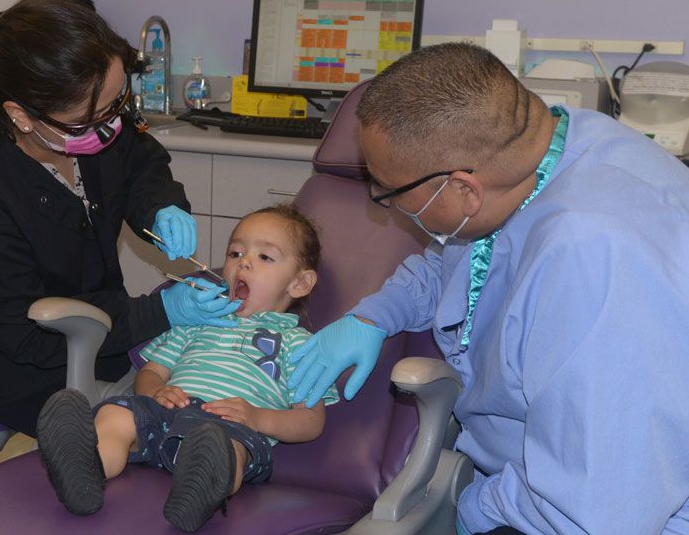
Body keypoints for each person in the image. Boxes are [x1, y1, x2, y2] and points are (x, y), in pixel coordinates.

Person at [288, 43, 689, 534]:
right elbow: (456, 264)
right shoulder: (545, 152)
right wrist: (375, 315)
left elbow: (599, 510)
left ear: (463, 190)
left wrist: (468, 509)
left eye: (389, 192)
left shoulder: (597, 267)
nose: (379, 202)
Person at [0, 0, 240, 437]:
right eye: (90, 117)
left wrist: (160, 206)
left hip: (86, 323)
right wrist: (159, 312)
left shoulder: (86, 130)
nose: (111, 125)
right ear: (20, 116)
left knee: (199, 374)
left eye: (118, 103)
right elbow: (25, 334)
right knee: (142, 430)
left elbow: (139, 160)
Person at [35, 204, 339, 532]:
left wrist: (258, 418)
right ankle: (85, 472)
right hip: (165, 414)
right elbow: (151, 373)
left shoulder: (301, 344)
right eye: (235, 252)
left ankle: (199, 491)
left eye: (265, 257)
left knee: (225, 449)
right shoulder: (196, 320)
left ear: (300, 283)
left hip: (232, 425)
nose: (243, 262)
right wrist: (155, 391)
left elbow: (310, 420)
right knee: (115, 417)